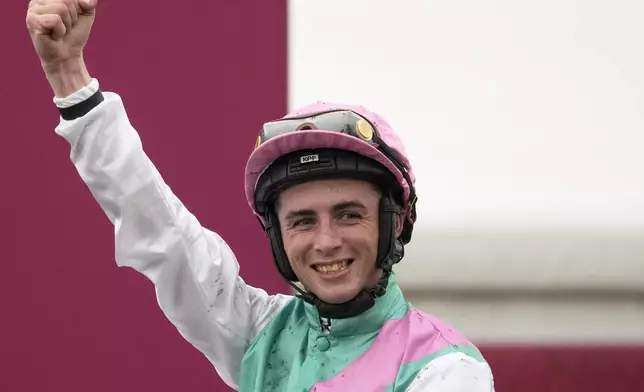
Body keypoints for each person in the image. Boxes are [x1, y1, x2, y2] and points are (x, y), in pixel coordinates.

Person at [26, 0, 495, 390]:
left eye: (349, 215)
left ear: (395, 221)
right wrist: (69, 75)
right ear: (278, 236)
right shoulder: (260, 332)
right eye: (303, 220)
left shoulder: (446, 370)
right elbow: (162, 231)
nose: (326, 241)